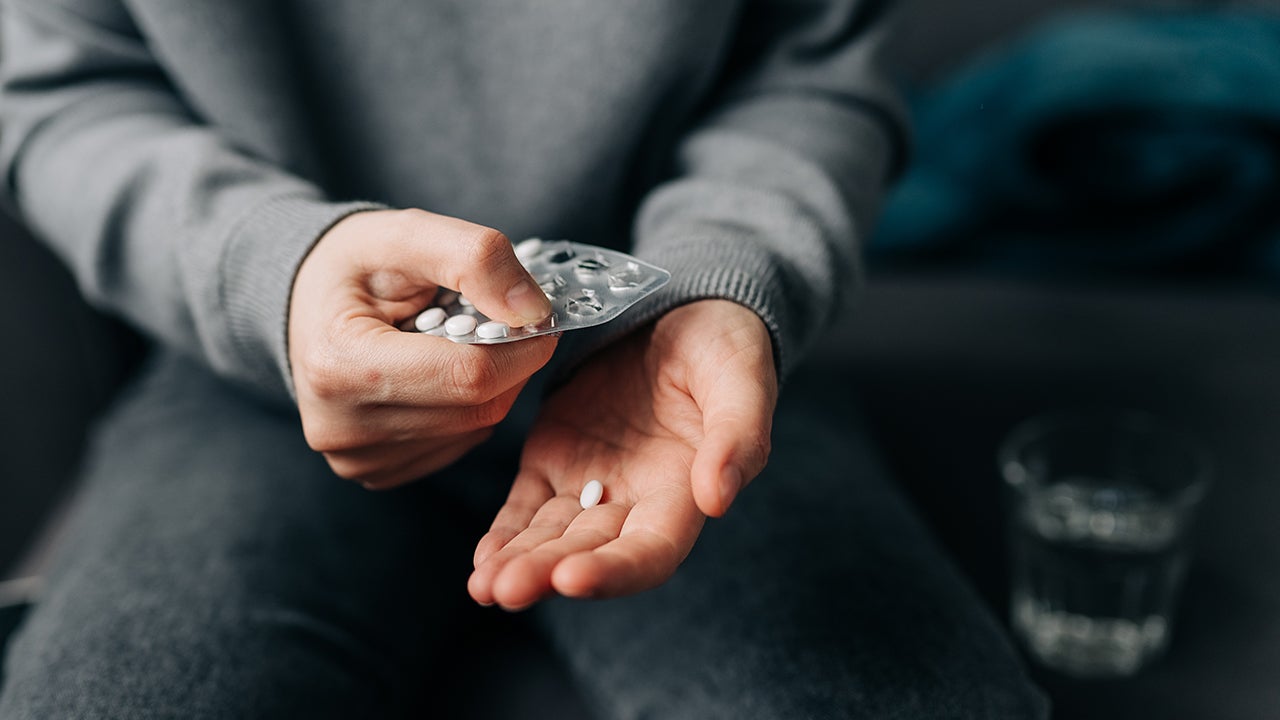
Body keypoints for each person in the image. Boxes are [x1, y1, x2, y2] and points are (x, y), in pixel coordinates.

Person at [0, 1, 1048, 717]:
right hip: (253, 365)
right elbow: (61, 94)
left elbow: (808, 73)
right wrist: (270, 271)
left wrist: (726, 280)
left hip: (675, 352)